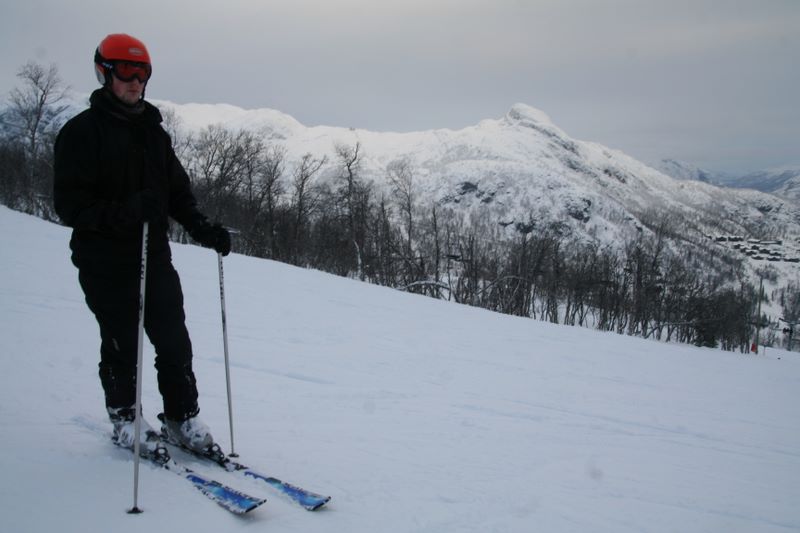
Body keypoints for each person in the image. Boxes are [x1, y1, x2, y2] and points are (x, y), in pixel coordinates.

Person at [53, 33, 231, 456]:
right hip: (103, 258)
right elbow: (71, 207)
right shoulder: (81, 133)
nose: (134, 82)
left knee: (173, 339)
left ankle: (181, 416)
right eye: (125, 72)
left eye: (142, 73)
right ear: (104, 73)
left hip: (154, 253)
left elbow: (178, 194)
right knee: (122, 341)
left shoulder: (155, 134)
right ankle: (125, 417)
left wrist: (203, 228)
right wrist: (128, 210)